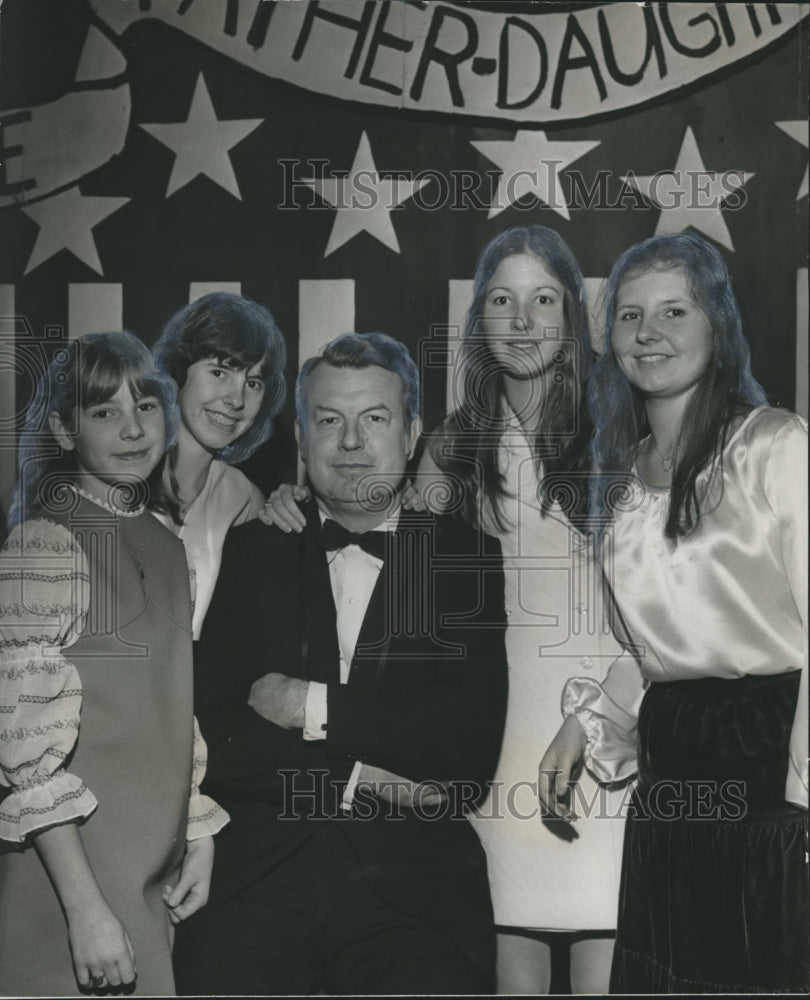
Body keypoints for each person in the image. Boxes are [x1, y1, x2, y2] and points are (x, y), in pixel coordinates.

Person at [172, 332, 509, 995]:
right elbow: (217, 730)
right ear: (302, 439)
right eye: (329, 421)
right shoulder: (257, 547)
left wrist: (311, 705)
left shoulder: (458, 557)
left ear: (411, 433)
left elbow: (463, 749)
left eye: (374, 419)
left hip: (412, 891)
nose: (351, 442)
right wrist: (363, 777)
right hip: (257, 876)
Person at [540, 231, 808, 993]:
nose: (648, 333)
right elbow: (653, 651)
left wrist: (803, 804)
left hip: (772, 775)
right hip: (671, 785)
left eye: (673, 311)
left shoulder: (777, 447)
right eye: (629, 316)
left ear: (717, 325)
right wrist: (585, 724)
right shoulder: (620, 482)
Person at [0, 332, 229, 996]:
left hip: (146, 879)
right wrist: (85, 912)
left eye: (148, 405)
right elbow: (22, 752)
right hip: (69, 891)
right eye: (104, 412)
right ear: (64, 432)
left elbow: (169, 709)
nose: (133, 429)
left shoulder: (163, 540)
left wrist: (197, 831)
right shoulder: (42, 545)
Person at [152, 291, 287, 637]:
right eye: (220, 372)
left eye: (252, 383)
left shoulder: (243, 499)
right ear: (176, 371)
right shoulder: (116, 475)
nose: (237, 399)